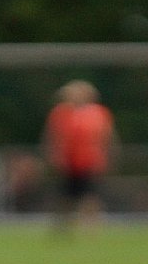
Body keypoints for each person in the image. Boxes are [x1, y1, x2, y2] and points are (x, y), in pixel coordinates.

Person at [41, 79, 117, 230]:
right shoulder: (60, 113)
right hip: (68, 163)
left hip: (90, 162)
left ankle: (90, 226)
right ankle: (63, 227)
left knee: (90, 195)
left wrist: (108, 156)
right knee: (65, 196)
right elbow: (52, 136)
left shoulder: (99, 113)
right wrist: (54, 155)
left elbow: (108, 137)